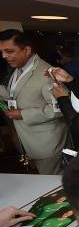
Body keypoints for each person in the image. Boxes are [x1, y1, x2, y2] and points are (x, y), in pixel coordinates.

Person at [0, 29, 68, 174]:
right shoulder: (19, 68)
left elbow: (59, 108)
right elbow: (15, 94)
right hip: (30, 140)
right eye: (2, 51)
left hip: (48, 144)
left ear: (27, 50)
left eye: (9, 51)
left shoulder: (46, 73)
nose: (4, 56)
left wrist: (23, 114)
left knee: (51, 187)